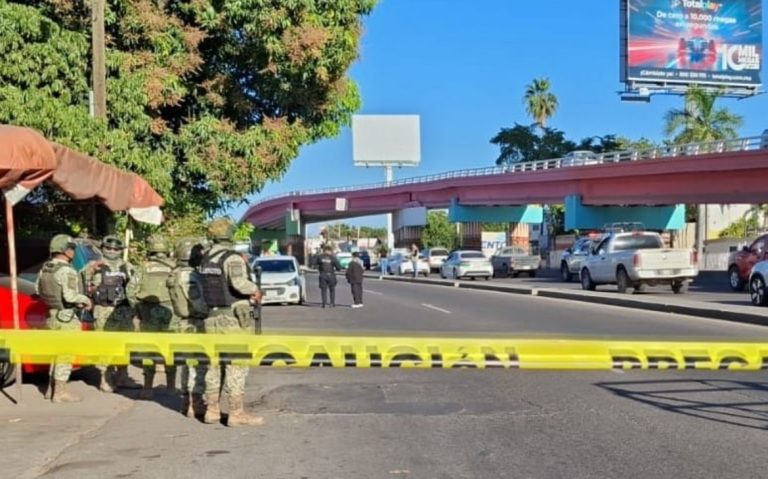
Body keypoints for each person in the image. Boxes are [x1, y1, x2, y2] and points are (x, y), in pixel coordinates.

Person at [199, 217, 264, 427]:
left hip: (211, 317)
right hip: (232, 319)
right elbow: (238, 283)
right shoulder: (232, 258)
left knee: (214, 364)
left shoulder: (206, 258)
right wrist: (254, 289)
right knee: (236, 364)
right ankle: (236, 414)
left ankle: (212, 411)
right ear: (230, 234)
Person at [36, 234, 92, 403]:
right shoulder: (67, 270)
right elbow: (69, 296)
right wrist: (85, 300)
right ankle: (60, 393)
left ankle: (50, 389)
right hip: (66, 317)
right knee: (65, 354)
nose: (73, 252)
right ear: (66, 251)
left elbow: (38, 290)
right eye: (72, 249)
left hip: (50, 316)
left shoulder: (45, 268)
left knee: (55, 353)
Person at [82, 235, 140, 393]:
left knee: (124, 345)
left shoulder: (127, 266)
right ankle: (105, 378)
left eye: (116, 249)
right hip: (103, 310)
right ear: (103, 248)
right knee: (106, 345)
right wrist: (91, 270)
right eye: (108, 248)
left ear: (121, 250)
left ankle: (123, 376)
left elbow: (135, 285)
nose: (112, 251)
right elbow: (82, 282)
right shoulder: (94, 265)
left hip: (124, 310)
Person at [126, 234, 177, 399]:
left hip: (148, 312)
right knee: (170, 350)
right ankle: (170, 387)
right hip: (171, 313)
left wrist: (138, 310)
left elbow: (130, 290)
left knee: (149, 351)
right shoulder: (173, 268)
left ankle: (147, 388)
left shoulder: (143, 268)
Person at [167, 238, 210, 418]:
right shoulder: (188, 276)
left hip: (181, 322)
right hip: (194, 322)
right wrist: (211, 312)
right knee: (197, 365)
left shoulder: (174, 273)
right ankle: (195, 402)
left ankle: (187, 401)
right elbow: (197, 302)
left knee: (187, 365)